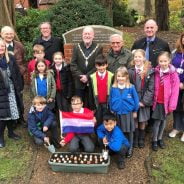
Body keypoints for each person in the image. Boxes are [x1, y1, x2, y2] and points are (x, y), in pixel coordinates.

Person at [152, 52, 180, 151]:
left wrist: (172, 105)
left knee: (163, 121)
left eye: (165, 61)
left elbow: (175, 91)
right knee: (157, 122)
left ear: (169, 61)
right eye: (161, 61)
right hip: (157, 101)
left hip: (166, 103)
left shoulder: (173, 74)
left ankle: (160, 138)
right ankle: (154, 140)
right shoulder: (155, 72)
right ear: (158, 62)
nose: (163, 63)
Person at [109, 67, 139, 157]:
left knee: (129, 131)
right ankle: (116, 147)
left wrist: (135, 110)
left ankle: (129, 148)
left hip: (127, 114)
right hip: (117, 114)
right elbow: (110, 99)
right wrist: (111, 109)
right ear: (116, 77)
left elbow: (136, 100)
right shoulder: (113, 88)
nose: (120, 78)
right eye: (118, 76)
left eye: (122, 76)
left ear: (126, 77)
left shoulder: (131, 87)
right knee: (117, 131)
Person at [70, 26, 102, 108]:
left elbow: (98, 65)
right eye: (85, 34)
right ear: (82, 35)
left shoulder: (98, 48)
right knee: (79, 104)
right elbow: (73, 64)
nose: (87, 36)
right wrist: (81, 76)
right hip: (79, 81)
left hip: (91, 81)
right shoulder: (76, 47)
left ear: (93, 36)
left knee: (91, 104)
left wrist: (87, 76)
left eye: (89, 34)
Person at [128, 49, 154, 148]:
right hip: (133, 100)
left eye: (139, 57)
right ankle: (135, 137)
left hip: (144, 100)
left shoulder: (149, 71)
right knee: (134, 119)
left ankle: (141, 138)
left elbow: (151, 88)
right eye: (135, 57)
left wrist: (144, 102)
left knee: (142, 120)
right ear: (133, 58)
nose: (137, 59)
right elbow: (128, 87)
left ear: (144, 58)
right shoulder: (130, 71)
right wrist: (133, 101)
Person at [1, 26, 26, 126]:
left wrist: (22, 70)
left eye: (11, 33)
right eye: (6, 34)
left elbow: (24, 59)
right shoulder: (1, 45)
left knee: (19, 96)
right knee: (8, 99)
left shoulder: (19, 45)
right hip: (4, 77)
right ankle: (11, 120)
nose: (9, 36)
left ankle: (20, 117)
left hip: (17, 76)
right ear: (2, 35)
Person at [0, 38, 22, 148]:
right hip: (1, 92)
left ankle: (11, 133)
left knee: (11, 113)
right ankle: (0, 138)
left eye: (3, 46)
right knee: (3, 116)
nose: (1, 48)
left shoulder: (10, 57)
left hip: (11, 90)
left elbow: (17, 73)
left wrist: (19, 86)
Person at [90, 54, 114, 125]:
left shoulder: (111, 76)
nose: (101, 68)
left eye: (103, 65)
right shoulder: (92, 77)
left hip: (107, 103)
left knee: (107, 120)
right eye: (99, 66)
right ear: (96, 66)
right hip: (97, 103)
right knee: (98, 120)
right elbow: (90, 93)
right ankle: (99, 135)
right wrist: (92, 106)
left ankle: (107, 135)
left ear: (106, 65)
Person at [169, 33, 184, 142]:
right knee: (176, 106)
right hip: (175, 85)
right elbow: (170, 67)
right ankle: (176, 127)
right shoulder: (175, 52)